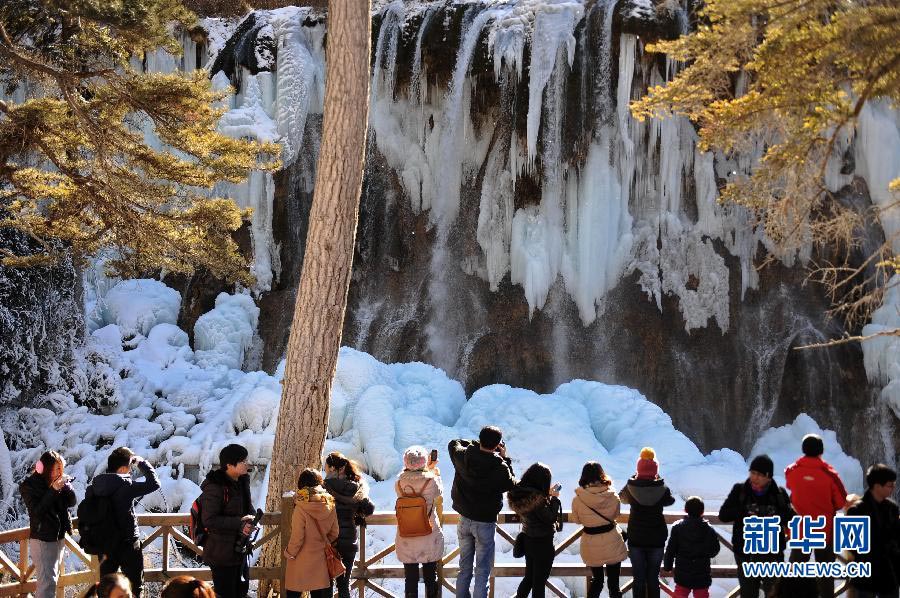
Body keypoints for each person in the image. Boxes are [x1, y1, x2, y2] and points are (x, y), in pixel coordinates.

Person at [449, 426, 516, 598]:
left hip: (464, 518)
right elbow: (511, 483)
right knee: (482, 571)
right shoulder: (500, 467)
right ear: (497, 445)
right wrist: (505, 458)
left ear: (480, 439)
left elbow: (453, 443)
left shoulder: (463, 456)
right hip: (485, 523)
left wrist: (475, 445)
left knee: (464, 568)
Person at [718, 454, 794, 598]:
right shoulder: (740, 491)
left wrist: (775, 514)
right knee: (748, 594)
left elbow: (791, 519)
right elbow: (723, 515)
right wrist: (745, 511)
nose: (755, 477)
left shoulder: (779, 494)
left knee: (774, 593)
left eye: (759, 475)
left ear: (768, 477)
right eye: (752, 473)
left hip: (772, 554)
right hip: (746, 554)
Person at [88, 446, 160, 598]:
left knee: (106, 588)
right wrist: (141, 463)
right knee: (135, 587)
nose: (131, 471)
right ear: (122, 469)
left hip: (105, 544)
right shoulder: (126, 485)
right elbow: (154, 483)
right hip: (128, 544)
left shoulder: (95, 486)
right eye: (130, 467)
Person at [785, 434, 848, 598]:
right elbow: (841, 501)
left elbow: (790, 487)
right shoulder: (829, 474)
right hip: (825, 529)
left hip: (802, 529)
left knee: (796, 570)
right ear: (821, 451)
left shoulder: (792, 471)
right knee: (825, 574)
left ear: (803, 449)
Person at [198, 443, 256, 598]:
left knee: (241, 592)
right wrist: (240, 522)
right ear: (229, 465)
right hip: (221, 552)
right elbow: (209, 520)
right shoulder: (215, 486)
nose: (247, 464)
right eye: (243, 461)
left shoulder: (242, 481)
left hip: (240, 549)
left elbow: (248, 508)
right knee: (225, 594)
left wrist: (251, 520)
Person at [619, 447, 675, 598]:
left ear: (639, 469)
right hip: (656, 539)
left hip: (636, 539)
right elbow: (670, 500)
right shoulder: (661, 488)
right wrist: (659, 480)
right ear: (655, 470)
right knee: (653, 578)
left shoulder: (631, 488)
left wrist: (634, 478)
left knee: (638, 579)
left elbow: (621, 497)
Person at [19, 450, 76, 598]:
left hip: (58, 537)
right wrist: (53, 490)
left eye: (61, 468)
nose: (59, 472)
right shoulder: (29, 486)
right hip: (42, 539)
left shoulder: (57, 482)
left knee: (52, 580)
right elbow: (37, 512)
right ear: (45, 468)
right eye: (56, 468)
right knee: (47, 583)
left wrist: (67, 487)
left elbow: (71, 502)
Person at [570, 461, 627, 598]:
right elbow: (616, 515)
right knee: (614, 584)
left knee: (597, 581)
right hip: (612, 541)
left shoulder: (578, 500)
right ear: (602, 474)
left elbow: (577, 520)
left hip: (591, 543)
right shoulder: (612, 496)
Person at [323, 451, 376, 598]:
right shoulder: (357, 487)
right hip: (349, 541)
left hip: (330, 541)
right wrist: (356, 513)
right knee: (344, 586)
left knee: (326, 584)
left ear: (333, 468)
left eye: (326, 468)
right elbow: (369, 509)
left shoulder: (324, 487)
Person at [395, 446, 445, 598]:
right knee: (430, 577)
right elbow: (439, 492)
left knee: (410, 578)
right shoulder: (431, 481)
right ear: (424, 462)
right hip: (428, 533)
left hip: (407, 535)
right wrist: (433, 470)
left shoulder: (399, 483)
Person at [507, 463, 563, 598]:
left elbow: (535, 510)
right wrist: (555, 499)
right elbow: (550, 518)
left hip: (528, 540)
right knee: (539, 582)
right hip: (543, 543)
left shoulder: (522, 494)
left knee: (529, 578)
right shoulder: (537, 500)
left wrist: (546, 495)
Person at [283, 468, 340, 598]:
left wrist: (289, 553)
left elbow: (297, 537)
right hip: (321, 558)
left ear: (301, 484)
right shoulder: (329, 503)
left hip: (300, 559)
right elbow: (335, 532)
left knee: (293, 593)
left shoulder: (301, 506)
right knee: (318, 593)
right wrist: (323, 542)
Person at [846, 464, 900, 598]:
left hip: (889, 574)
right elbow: (850, 544)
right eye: (890, 485)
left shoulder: (893, 508)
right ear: (877, 486)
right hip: (866, 574)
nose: (893, 488)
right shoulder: (855, 510)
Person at [661, 496, 720, 598]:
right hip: (702, 572)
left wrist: (667, 566)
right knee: (701, 595)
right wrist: (705, 554)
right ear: (702, 512)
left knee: (680, 594)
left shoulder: (677, 528)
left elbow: (670, 550)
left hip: (682, 572)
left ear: (685, 510)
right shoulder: (708, 529)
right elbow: (715, 550)